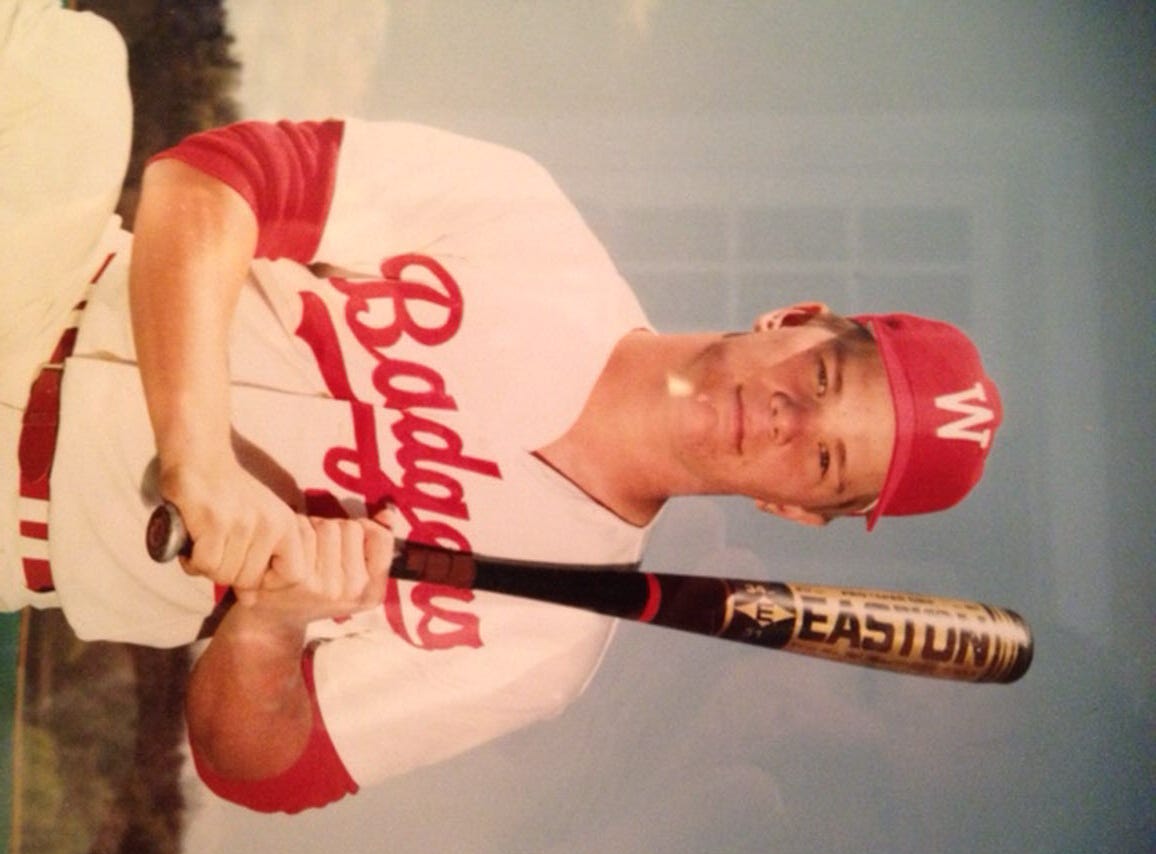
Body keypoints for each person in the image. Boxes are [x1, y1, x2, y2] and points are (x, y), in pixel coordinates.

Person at [1, 2, 1003, 813]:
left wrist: (273, 626)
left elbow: (255, 767)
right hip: (41, 264)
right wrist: (198, 454)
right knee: (68, 63)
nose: (790, 420)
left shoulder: (541, 653)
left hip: (21, 532)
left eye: (824, 463)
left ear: (796, 512)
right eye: (825, 381)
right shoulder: (529, 224)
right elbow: (218, 179)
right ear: (795, 316)